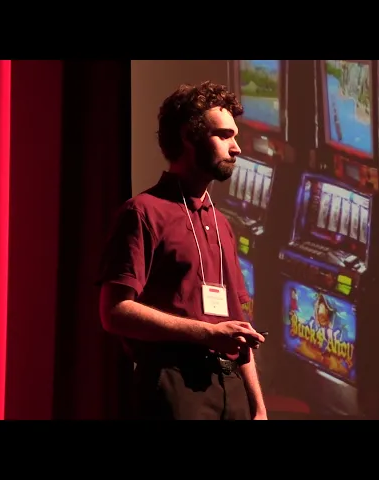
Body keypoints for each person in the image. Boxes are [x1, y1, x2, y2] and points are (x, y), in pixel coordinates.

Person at [97, 81, 268, 420]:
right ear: (190, 136)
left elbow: (239, 323)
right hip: (175, 384)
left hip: (230, 386)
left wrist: (258, 407)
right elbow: (114, 312)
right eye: (224, 135)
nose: (236, 148)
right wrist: (208, 333)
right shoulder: (143, 212)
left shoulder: (222, 223)